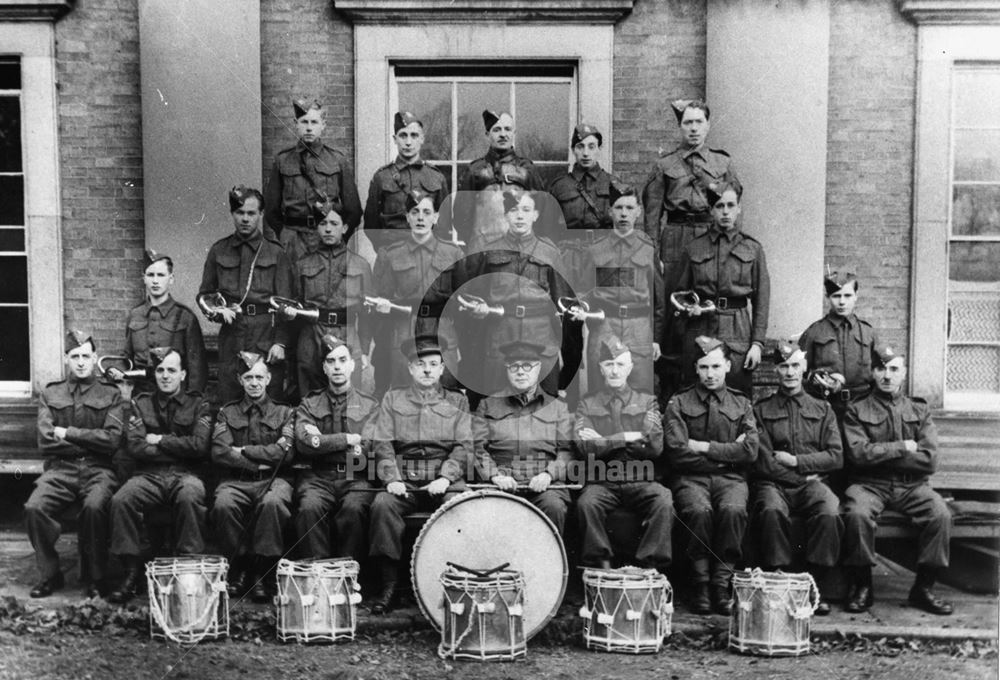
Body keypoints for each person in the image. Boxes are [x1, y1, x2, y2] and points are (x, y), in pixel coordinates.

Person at [841, 345, 954, 615]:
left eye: (894, 370)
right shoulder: (856, 410)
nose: (887, 376)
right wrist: (903, 447)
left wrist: (879, 453)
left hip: (911, 486)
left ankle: (923, 588)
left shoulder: (919, 409)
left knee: (940, 515)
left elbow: (929, 459)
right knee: (856, 514)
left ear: (903, 374)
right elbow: (858, 454)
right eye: (881, 369)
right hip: (870, 484)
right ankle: (862, 585)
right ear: (873, 372)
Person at [368, 335, 473, 614]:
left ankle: (455, 584)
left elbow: (464, 445)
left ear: (441, 368)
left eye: (433, 364)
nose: (427, 370)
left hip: (443, 477)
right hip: (406, 480)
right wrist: (392, 479)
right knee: (382, 505)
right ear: (410, 368)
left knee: (459, 505)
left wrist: (446, 477)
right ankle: (389, 585)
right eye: (420, 364)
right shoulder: (393, 398)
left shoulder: (458, 401)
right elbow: (383, 443)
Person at [642, 99, 740, 398]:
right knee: (675, 312)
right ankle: (673, 393)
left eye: (699, 122)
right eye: (688, 122)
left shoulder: (722, 164)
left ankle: (712, 380)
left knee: (708, 304)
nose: (693, 128)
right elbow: (651, 215)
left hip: (710, 236)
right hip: (675, 238)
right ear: (680, 126)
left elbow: (733, 206)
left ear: (708, 125)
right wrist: (653, 256)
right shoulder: (665, 164)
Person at [108, 347, 212, 603]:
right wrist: (178, 447)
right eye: (160, 370)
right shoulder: (140, 403)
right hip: (148, 475)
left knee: (191, 495)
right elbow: (135, 447)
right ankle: (132, 572)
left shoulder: (199, 403)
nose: (165, 376)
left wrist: (160, 440)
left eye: (172, 370)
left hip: (185, 474)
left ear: (183, 374)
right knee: (121, 500)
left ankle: (189, 572)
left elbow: (200, 447)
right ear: (154, 374)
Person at [24, 330, 124, 598]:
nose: (81, 362)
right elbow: (45, 441)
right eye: (75, 356)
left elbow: (112, 441)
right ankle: (51, 574)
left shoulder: (111, 394)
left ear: (95, 358)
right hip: (60, 470)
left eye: (86, 356)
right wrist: (92, 441)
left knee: (94, 507)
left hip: (99, 470)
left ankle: (95, 577)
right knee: (34, 508)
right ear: (66, 358)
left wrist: (67, 432)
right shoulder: (51, 392)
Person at [663, 336, 758, 615]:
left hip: (731, 481)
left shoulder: (741, 403)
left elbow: (751, 451)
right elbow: (677, 452)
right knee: (698, 511)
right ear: (696, 368)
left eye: (716, 366)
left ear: (728, 366)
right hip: (690, 480)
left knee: (732, 510)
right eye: (704, 367)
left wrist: (704, 447)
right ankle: (701, 584)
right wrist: (728, 456)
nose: (710, 374)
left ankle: (721, 584)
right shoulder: (679, 402)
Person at [750, 340, 843, 615]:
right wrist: (804, 476)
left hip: (813, 485)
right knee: (769, 509)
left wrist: (798, 462)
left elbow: (836, 456)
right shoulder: (761, 410)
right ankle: (778, 578)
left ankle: (814, 583)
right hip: (775, 484)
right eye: (783, 366)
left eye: (794, 366)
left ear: (804, 368)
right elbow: (763, 461)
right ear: (775, 370)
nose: (789, 372)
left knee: (829, 510)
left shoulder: (822, 409)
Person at [456, 189, 569, 405]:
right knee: (497, 398)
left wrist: (563, 350)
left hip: (541, 334)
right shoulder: (489, 251)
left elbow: (563, 303)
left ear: (535, 215)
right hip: (500, 332)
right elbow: (474, 296)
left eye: (526, 210)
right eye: (514, 210)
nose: (519, 216)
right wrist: (478, 312)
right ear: (506, 215)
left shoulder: (549, 253)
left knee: (544, 403)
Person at [575, 336, 673, 573]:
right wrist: (628, 436)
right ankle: (602, 566)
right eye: (609, 364)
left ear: (630, 368)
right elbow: (584, 448)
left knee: (663, 500)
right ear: (601, 368)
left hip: (640, 478)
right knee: (587, 503)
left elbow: (654, 447)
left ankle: (648, 566)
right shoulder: (586, 405)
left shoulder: (647, 402)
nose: (614, 371)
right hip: (603, 480)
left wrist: (604, 440)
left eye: (620, 364)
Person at [210, 351, 295, 601]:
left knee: (273, 504)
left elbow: (285, 454)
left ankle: (262, 571)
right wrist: (261, 462)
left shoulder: (284, 413)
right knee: (223, 504)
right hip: (236, 481)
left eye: (259, 377)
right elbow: (219, 452)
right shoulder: (228, 412)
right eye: (248, 377)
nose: (254, 383)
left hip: (274, 481)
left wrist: (245, 450)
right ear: (240, 380)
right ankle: (240, 568)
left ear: (268, 379)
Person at [672, 183, 770, 397]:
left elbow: (762, 299)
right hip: (700, 327)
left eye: (730, 205)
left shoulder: (752, 249)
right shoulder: (694, 248)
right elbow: (679, 295)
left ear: (739, 208)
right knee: (695, 392)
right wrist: (689, 312)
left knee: (736, 392)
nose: (725, 211)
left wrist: (757, 344)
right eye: (719, 206)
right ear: (711, 210)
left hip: (737, 329)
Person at [199, 185, 294, 404]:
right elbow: (205, 294)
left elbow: (286, 303)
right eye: (240, 212)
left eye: (251, 213)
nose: (245, 218)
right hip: (232, 334)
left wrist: (280, 343)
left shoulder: (275, 252)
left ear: (261, 215)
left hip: (265, 334)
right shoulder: (219, 250)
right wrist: (217, 309)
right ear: (232, 214)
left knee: (269, 398)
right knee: (231, 395)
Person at [547, 123, 620, 402]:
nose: (586, 152)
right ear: (573, 150)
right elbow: (548, 228)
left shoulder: (613, 184)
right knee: (570, 331)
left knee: (603, 326)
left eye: (591, 146)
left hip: (602, 258)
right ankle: (571, 396)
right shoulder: (559, 186)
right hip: (570, 259)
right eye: (580, 146)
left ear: (599, 148)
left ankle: (602, 399)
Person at [473, 340, 576, 535]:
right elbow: (477, 448)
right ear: (507, 370)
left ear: (538, 369)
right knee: (488, 512)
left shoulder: (557, 408)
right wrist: (494, 475)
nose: (520, 372)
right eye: (514, 366)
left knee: (553, 506)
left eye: (527, 366)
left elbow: (567, 451)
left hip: (545, 484)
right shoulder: (488, 405)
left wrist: (549, 475)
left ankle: (546, 565)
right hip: (500, 483)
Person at [293, 334, 379, 562]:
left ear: (352, 365)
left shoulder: (370, 405)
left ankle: (348, 577)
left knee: (354, 508)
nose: (337, 366)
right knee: (309, 507)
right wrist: (349, 439)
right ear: (324, 367)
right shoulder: (309, 404)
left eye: (342, 360)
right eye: (331, 361)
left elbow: (369, 449)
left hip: (355, 476)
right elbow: (303, 444)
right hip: (317, 477)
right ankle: (319, 576)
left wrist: (323, 442)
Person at [573, 182, 663, 396]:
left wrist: (656, 338)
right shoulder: (595, 251)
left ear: (639, 212)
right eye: (619, 208)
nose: (624, 214)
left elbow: (659, 300)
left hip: (639, 329)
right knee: (600, 392)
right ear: (610, 211)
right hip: (605, 326)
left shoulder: (648, 248)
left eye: (630, 208)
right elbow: (584, 294)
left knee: (640, 391)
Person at [370, 189, 463, 393]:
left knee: (445, 389)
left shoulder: (453, 253)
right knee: (405, 387)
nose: (421, 217)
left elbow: (464, 299)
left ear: (436, 217)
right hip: (404, 326)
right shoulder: (390, 254)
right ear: (407, 217)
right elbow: (379, 300)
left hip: (442, 328)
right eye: (414, 212)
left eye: (427, 212)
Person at [291, 199, 373, 397]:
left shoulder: (360, 265)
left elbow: (367, 312)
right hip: (311, 335)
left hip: (348, 335)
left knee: (348, 398)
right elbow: (294, 305)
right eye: (323, 224)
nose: (328, 229)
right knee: (310, 397)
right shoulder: (302, 264)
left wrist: (363, 349)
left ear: (344, 227)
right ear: (317, 228)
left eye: (334, 224)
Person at [264, 97, 363, 258]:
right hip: (293, 240)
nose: (309, 128)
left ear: (323, 125)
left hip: (326, 238)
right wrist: (285, 235)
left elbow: (354, 211)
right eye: (304, 122)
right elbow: (271, 210)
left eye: (314, 122)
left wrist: (338, 236)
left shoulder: (337, 160)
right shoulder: (282, 160)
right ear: (296, 123)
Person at [448, 109, 545, 248]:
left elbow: (542, 212)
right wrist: (479, 241)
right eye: (497, 130)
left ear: (513, 133)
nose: (503, 134)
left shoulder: (527, 169)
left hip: (519, 251)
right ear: (488, 134)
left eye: (507, 129)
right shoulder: (475, 170)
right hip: (483, 252)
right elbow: (460, 217)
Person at [118, 249, 207, 395]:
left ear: (171, 279)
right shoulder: (135, 314)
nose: (155, 280)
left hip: (176, 395)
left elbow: (197, 368)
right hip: (141, 395)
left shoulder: (185, 317)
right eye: (150, 275)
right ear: (144, 278)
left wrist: (190, 403)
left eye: (160, 275)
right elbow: (126, 358)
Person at [798, 270, 880, 421]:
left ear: (856, 296)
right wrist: (817, 380)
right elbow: (799, 373)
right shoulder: (814, 332)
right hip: (826, 409)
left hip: (862, 410)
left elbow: (880, 374)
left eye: (847, 295)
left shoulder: (869, 333)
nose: (842, 302)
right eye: (836, 296)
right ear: (827, 297)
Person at [363, 111, 449, 253]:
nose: (408, 142)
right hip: (393, 256)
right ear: (395, 139)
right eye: (403, 135)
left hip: (427, 256)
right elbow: (371, 224)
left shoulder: (436, 177)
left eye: (414, 135)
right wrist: (385, 251)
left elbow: (444, 223)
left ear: (422, 139)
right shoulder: (382, 177)